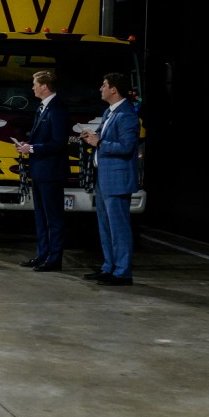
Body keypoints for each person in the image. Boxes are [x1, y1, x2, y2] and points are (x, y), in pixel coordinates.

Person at [80, 72, 140, 287]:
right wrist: (90, 137)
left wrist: (99, 143)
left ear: (114, 89)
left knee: (119, 228)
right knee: (105, 227)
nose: (101, 89)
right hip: (104, 178)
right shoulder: (109, 112)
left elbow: (126, 147)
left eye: (104, 85)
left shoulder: (127, 115)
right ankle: (109, 267)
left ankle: (122, 272)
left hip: (117, 180)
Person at [15, 71, 70, 272]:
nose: (33, 88)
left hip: (51, 172)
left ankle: (54, 259)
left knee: (53, 217)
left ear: (45, 86)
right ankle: (42, 255)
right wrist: (27, 144)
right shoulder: (42, 108)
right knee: (40, 216)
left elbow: (58, 143)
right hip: (40, 171)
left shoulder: (57, 109)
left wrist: (31, 148)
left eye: (35, 84)